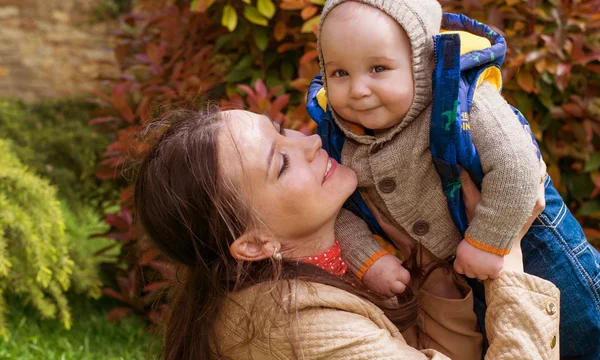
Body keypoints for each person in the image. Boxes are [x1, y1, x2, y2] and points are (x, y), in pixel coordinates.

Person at [306, 0, 600, 357]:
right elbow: (334, 209)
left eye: (378, 68)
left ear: (423, 62)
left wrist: (486, 241)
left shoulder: (463, 102)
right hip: (455, 281)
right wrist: (368, 259)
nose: (358, 89)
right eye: (339, 73)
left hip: (532, 247)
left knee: (583, 336)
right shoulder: (341, 137)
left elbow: (518, 168)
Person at [134, 108, 560, 359]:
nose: (309, 142)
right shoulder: (294, 329)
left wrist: (429, 267)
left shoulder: (339, 252)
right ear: (253, 244)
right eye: (280, 164)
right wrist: (507, 256)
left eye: (283, 130)